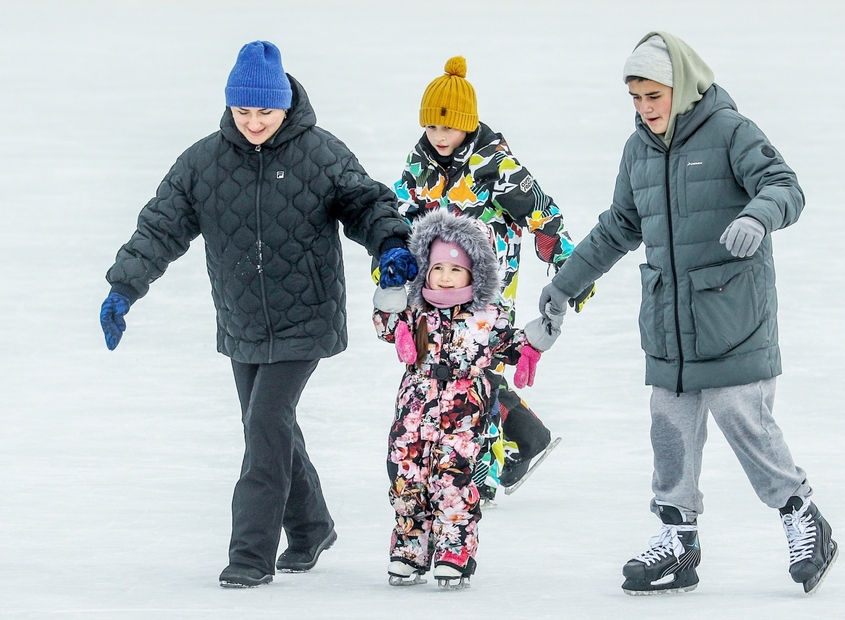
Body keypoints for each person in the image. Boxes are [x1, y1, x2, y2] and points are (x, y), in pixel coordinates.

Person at [99, 41, 417, 588]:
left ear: (286, 106)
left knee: (264, 429)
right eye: (242, 112)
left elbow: (367, 202)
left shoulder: (321, 153)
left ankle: (250, 555)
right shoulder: (203, 162)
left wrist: (389, 243)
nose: (253, 122)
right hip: (242, 319)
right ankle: (312, 526)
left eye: (264, 112)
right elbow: (160, 227)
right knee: (269, 425)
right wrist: (125, 287)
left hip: (306, 316)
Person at [538, 32, 837, 595]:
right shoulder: (638, 150)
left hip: (731, 313)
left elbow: (785, 185)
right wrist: (566, 283)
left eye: (655, 95)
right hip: (669, 320)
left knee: (741, 417)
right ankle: (678, 542)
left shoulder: (730, 131)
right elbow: (619, 227)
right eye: (636, 98)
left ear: (683, 86)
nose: (646, 108)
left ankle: (802, 516)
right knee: (670, 429)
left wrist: (758, 217)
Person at [387, 56, 592, 500]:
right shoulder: (418, 162)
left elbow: (544, 215)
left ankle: (479, 461)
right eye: (431, 128)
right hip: (434, 284)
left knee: (477, 362)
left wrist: (572, 271)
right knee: (442, 366)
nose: (439, 137)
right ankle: (521, 437)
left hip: (488, 283)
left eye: (448, 128)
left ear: (467, 123)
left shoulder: (495, 165)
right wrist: (390, 264)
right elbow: (399, 217)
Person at [373, 209, 559, 589]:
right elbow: (387, 327)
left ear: (475, 274)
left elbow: (514, 345)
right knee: (407, 478)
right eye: (438, 268)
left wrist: (544, 331)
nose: (445, 277)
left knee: (453, 481)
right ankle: (410, 549)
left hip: (463, 416)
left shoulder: (488, 317)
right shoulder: (415, 311)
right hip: (413, 412)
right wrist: (391, 289)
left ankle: (453, 551)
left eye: (455, 270)